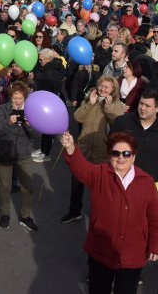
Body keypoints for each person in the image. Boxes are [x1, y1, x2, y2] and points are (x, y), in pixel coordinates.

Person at [60, 130, 158, 294]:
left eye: (126, 153)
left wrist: (156, 245)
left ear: (134, 156)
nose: (121, 157)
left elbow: (156, 216)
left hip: (133, 253)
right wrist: (71, 148)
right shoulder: (99, 174)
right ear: (110, 155)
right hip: (101, 250)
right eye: (116, 153)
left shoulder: (147, 181)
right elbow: (81, 168)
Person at [63, 76, 125, 223]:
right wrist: (89, 104)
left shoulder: (117, 104)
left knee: (99, 187)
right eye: (101, 86)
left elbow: (118, 124)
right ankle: (74, 211)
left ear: (113, 90)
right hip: (84, 147)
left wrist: (108, 107)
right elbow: (77, 117)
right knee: (77, 182)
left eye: (107, 87)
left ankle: (99, 216)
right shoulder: (90, 99)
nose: (103, 90)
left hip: (102, 151)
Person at [0, 81, 38, 232]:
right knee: (5, 186)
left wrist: (30, 125)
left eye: (20, 98)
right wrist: (8, 122)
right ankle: (5, 214)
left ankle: (25, 216)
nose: (17, 101)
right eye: (14, 98)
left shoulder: (31, 110)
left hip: (24, 153)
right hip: (5, 153)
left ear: (25, 98)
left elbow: (38, 135)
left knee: (28, 187)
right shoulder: (4, 109)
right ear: (10, 97)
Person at [110, 89, 158, 185]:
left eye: (147, 106)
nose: (142, 108)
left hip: (149, 184)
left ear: (157, 109)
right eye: (141, 103)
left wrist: (156, 175)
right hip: (120, 181)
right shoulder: (122, 122)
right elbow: (110, 146)